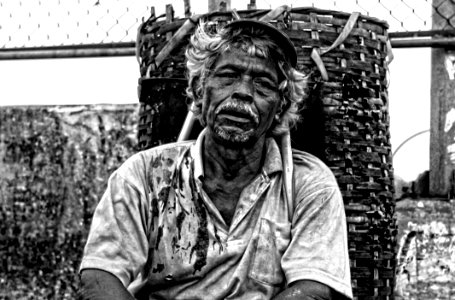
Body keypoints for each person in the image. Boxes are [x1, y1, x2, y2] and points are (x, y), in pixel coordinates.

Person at [79, 18, 353, 300]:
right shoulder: (145, 174)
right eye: (228, 76)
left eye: (262, 84)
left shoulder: (308, 184)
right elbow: (99, 276)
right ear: (200, 88)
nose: (243, 93)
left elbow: (312, 291)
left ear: (280, 106)